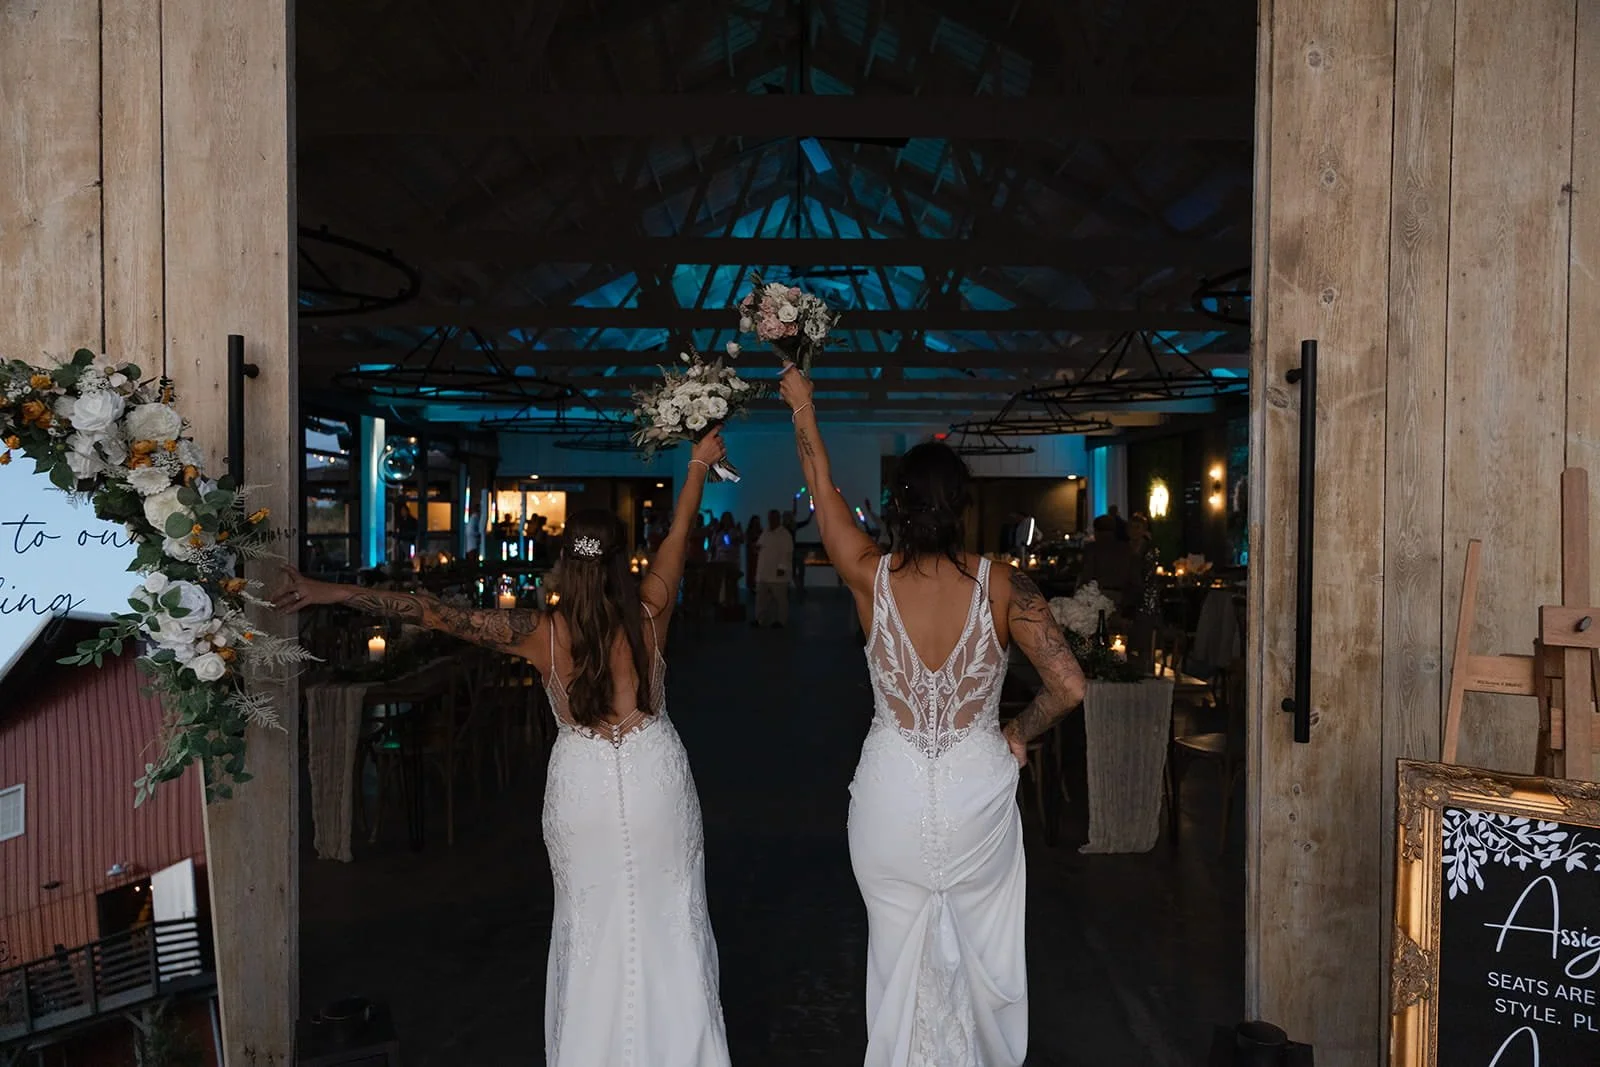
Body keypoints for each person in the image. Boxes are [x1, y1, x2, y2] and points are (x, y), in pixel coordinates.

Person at [270, 432, 734, 1067]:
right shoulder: (653, 610)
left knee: (591, 926)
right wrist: (697, 466)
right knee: (671, 923)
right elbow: (681, 526)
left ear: (565, 567)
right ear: (625, 560)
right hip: (656, 776)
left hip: (584, 788)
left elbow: (429, 612)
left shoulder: (539, 635)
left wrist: (333, 591)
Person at [779, 366, 1086, 1067]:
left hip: (889, 798)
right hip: (977, 795)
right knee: (977, 956)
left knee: (896, 960)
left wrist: (803, 406)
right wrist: (1017, 730)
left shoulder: (868, 574)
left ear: (898, 505)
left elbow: (822, 494)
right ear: (962, 506)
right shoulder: (1005, 584)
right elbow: (1069, 685)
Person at [753, 509, 794, 628]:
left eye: (774, 518)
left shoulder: (784, 534)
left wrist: (782, 567)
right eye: (770, 518)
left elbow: (787, 553)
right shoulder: (766, 532)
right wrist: (756, 549)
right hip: (764, 572)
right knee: (761, 598)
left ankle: (780, 620)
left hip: (777, 573)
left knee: (780, 599)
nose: (771, 520)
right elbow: (760, 545)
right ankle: (760, 619)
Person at [744, 514, 764, 595]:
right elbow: (747, 541)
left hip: (759, 555)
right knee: (752, 570)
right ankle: (752, 586)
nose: (757, 523)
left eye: (758, 522)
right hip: (752, 555)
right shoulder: (749, 532)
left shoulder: (761, 531)